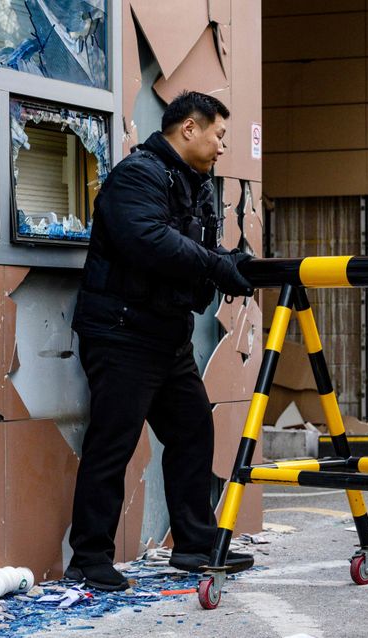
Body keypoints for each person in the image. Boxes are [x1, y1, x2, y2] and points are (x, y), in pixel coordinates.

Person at [67, 91, 255, 591]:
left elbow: (199, 250)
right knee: (114, 442)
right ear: (188, 129)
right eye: (218, 136)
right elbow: (146, 239)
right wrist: (216, 265)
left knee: (193, 428)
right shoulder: (138, 175)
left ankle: (193, 545)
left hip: (166, 336)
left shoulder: (195, 185)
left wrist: (232, 261)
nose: (221, 148)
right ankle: (88, 558)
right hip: (122, 333)